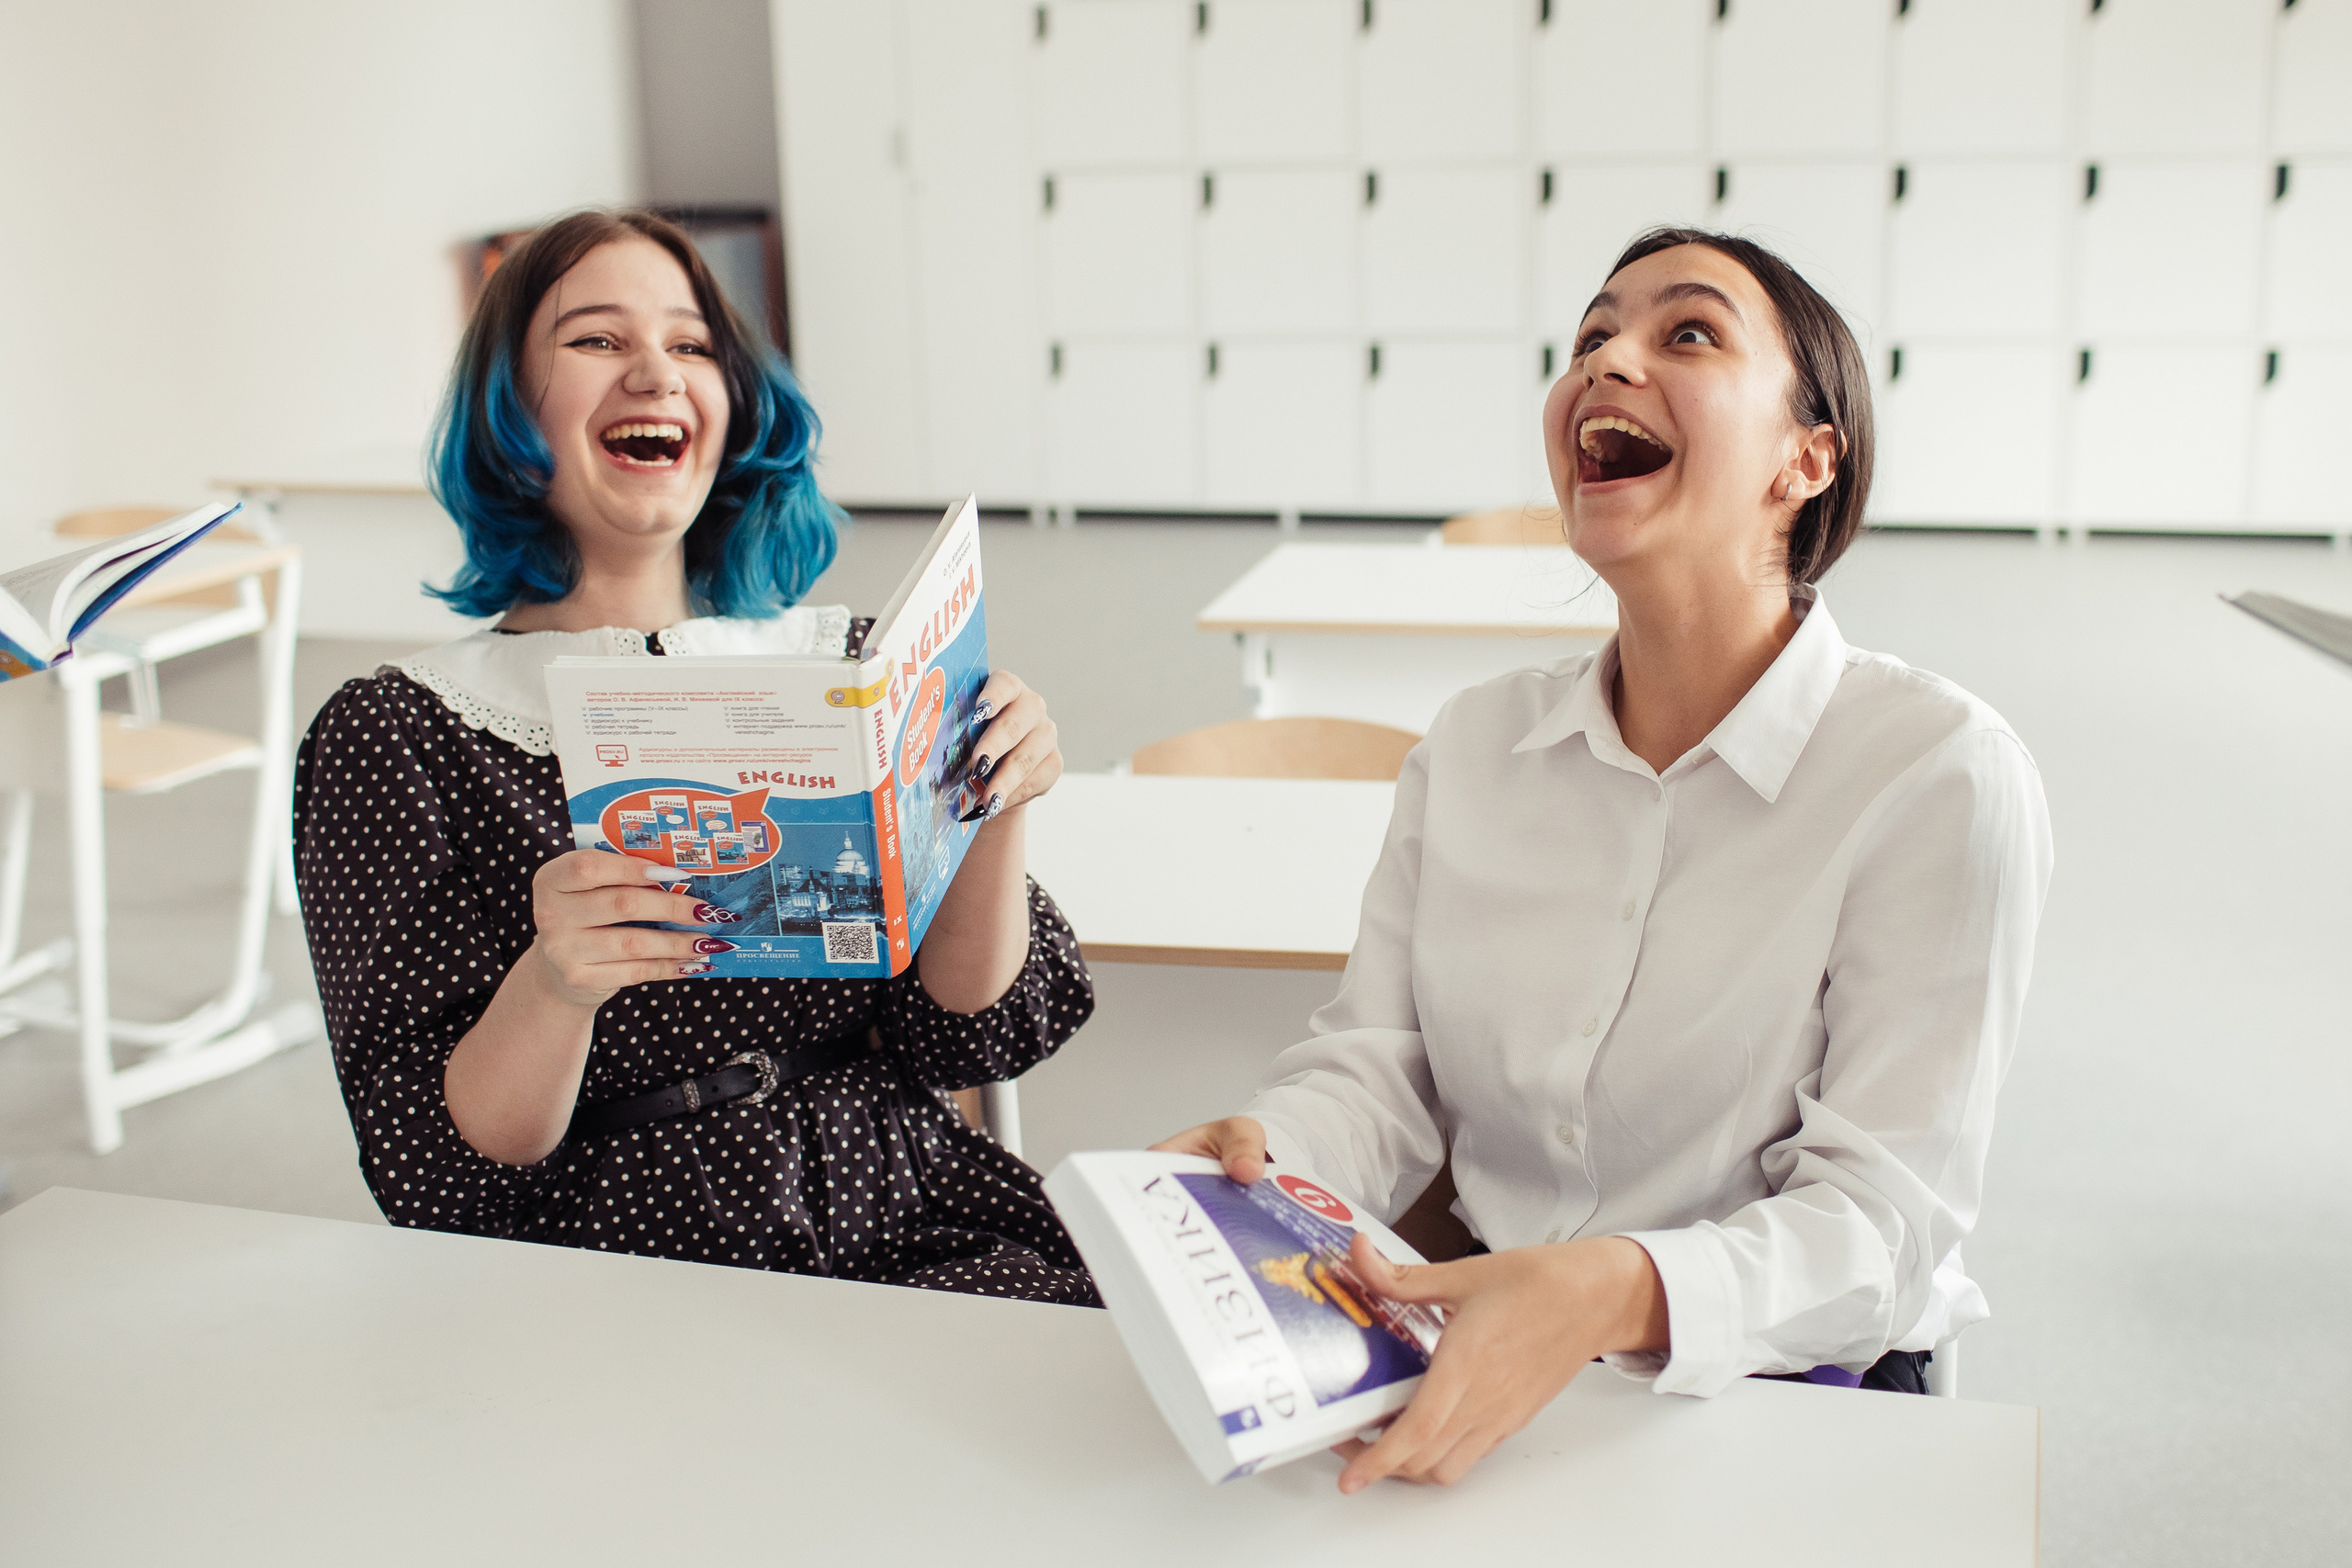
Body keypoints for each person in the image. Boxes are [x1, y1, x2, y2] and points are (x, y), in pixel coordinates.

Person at [1155, 229, 2054, 1490]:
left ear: (1807, 460)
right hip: (1488, 1336)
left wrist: (1614, 1290)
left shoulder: (1936, 772)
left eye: (1688, 332)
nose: (1606, 362)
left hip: (1783, 1385)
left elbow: (1878, 1228)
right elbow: (1380, 1071)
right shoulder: (1475, 746)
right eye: (1590, 336)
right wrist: (1269, 1152)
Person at [294, 209, 1095, 1304]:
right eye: (595, 339)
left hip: (907, 1206)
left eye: (691, 343)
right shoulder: (399, 733)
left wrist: (995, 802)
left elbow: (974, 1033)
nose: (655, 373)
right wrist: (555, 984)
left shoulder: (855, 666)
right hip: (616, 1264)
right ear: (506, 406)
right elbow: (437, 1172)